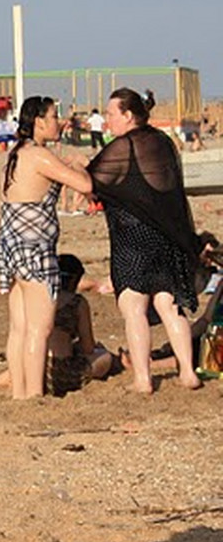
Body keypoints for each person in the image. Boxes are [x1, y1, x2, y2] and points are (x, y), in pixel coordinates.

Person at [88, 87, 203, 393]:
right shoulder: (162, 142)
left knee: (133, 307)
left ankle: (143, 379)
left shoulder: (124, 146)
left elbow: (93, 180)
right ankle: (188, 373)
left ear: (128, 115)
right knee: (170, 306)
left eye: (112, 114)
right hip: (168, 237)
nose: (108, 119)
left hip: (133, 238)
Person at [0, 96, 93, 400]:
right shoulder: (39, 155)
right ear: (38, 120)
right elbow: (86, 187)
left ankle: (20, 394)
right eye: (53, 116)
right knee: (39, 328)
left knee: (19, 328)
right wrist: (81, 168)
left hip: (11, 247)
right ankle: (34, 395)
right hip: (35, 249)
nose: (58, 121)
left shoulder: (16, 154)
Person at [0, 254, 115, 395]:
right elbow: (88, 346)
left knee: (25, 360)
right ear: (75, 280)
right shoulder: (77, 303)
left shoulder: (39, 299)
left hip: (34, 370)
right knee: (104, 356)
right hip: (63, 372)